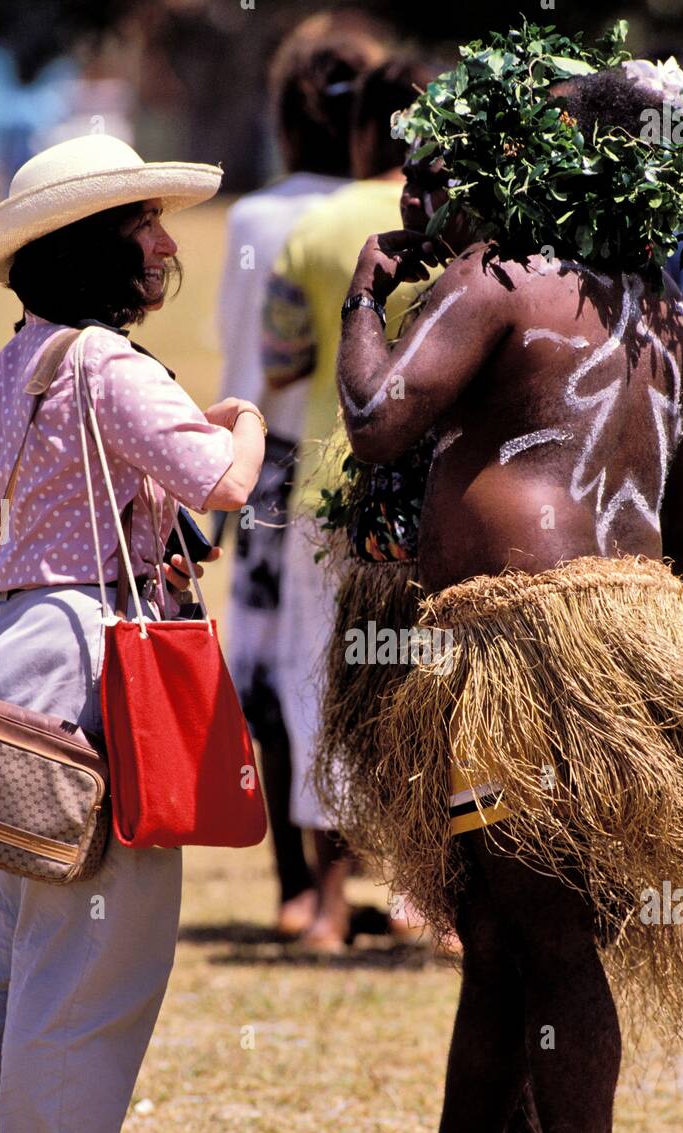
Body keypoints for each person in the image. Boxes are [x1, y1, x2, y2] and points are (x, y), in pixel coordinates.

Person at [285, 23, 683, 1133]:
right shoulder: (666, 317)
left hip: (522, 648)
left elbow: (370, 420)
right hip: (625, 641)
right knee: (502, 921)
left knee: (542, 926)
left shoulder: (496, 279)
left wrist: (371, 292)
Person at [0, 133, 265, 1133]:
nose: (162, 242)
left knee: (3, 947)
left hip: (7, 656)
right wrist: (238, 417)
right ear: (97, 249)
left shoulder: (17, 366)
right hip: (95, 659)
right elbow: (221, 484)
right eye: (141, 224)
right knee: (94, 955)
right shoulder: (110, 366)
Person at [263, 56, 438, 952]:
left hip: (333, 493)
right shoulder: (476, 224)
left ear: (363, 129)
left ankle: (328, 904)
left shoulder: (314, 223)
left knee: (317, 691)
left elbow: (282, 357)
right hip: (437, 497)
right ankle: (422, 901)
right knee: (427, 691)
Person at [218, 15, 384, 936]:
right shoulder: (385, 214)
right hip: (360, 462)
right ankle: (357, 873)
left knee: (272, 671)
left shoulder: (261, 217)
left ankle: (295, 884)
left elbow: (254, 358)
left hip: (271, 465)